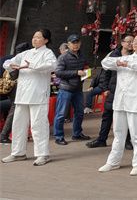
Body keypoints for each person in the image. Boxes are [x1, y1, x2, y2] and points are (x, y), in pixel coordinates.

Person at [98, 33, 137, 176]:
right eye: (134, 41)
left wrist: (128, 64)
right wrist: (119, 62)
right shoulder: (124, 57)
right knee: (118, 133)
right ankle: (113, 161)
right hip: (120, 101)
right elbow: (105, 62)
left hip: (135, 102)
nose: (134, 43)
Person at [2, 29, 57, 166]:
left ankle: (43, 154)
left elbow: (52, 65)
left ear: (46, 40)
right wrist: (11, 65)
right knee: (18, 124)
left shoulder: (48, 53)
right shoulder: (26, 53)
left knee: (38, 125)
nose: (35, 39)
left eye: (38, 37)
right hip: (22, 94)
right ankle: (18, 152)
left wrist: (31, 65)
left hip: (38, 94)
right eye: (34, 37)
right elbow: (7, 62)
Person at [87, 34, 133, 149]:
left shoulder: (134, 56)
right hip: (113, 90)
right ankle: (101, 139)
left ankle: (127, 141)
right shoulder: (114, 55)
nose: (130, 44)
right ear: (122, 42)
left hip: (127, 91)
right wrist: (106, 88)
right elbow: (105, 73)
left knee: (127, 115)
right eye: (128, 41)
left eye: (132, 42)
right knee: (107, 115)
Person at [53, 34, 91, 145]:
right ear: (68, 44)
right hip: (65, 89)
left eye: (77, 42)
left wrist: (87, 71)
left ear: (80, 43)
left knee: (79, 113)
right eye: (73, 43)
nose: (75, 45)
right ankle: (59, 137)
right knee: (61, 114)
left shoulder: (82, 56)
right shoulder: (63, 57)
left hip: (78, 89)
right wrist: (76, 72)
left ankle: (77, 134)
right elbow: (58, 73)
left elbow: (85, 66)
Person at [0, 42, 29, 144]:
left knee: (12, 109)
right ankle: (4, 135)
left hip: (4, 89)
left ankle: (5, 134)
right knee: (15, 108)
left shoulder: (6, 59)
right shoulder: (20, 61)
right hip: (12, 89)